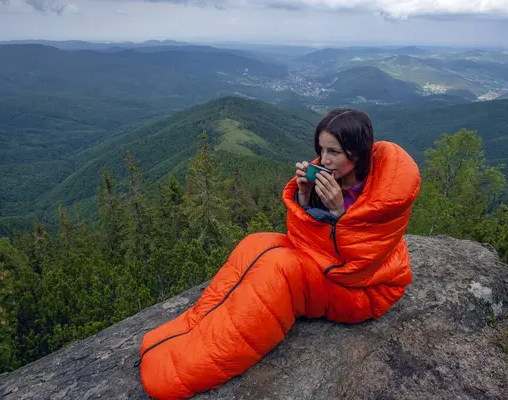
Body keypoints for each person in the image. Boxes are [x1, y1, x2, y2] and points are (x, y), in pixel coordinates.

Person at [138, 108, 421, 400]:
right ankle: (187, 332)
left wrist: (339, 213)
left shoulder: (386, 197)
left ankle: (182, 371)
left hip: (369, 287)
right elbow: (306, 239)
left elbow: (358, 265)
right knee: (257, 243)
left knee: (280, 270)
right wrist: (305, 197)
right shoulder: (334, 177)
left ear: (358, 154)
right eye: (321, 149)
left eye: (333, 152)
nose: (324, 159)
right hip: (331, 266)